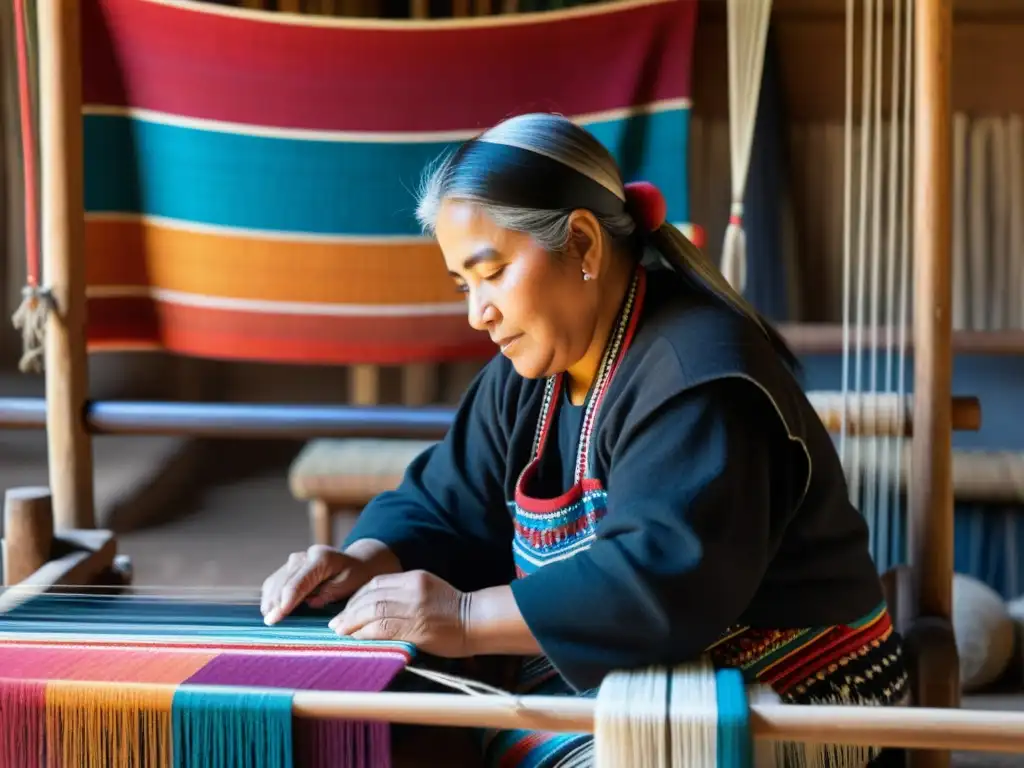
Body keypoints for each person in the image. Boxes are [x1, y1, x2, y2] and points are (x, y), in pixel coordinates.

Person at [260, 112, 908, 767]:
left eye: (492, 272)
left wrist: (461, 617)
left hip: (794, 702)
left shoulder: (700, 376)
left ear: (582, 243)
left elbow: (662, 582)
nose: (476, 313)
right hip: (633, 691)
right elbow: (443, 501)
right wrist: (371, 559)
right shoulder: (531, 374)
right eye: (464, 284)